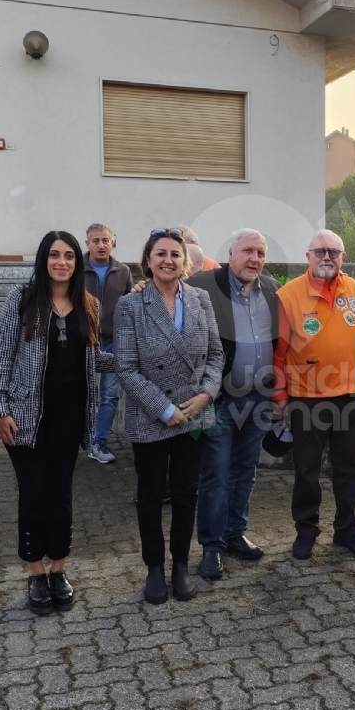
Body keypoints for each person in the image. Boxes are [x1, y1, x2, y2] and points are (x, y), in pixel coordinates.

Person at [0, 231, 114, 616]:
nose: (62, 262)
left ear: (78, 262)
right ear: (43, 259)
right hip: (25, 417)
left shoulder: (88, 303)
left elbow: (93, 359)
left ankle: (58, 569)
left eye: (70, 256)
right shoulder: (23, 300)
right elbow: (2, 355)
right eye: (55, 255)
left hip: (70, 416)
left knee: (60, 493)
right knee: (33, 492)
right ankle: (35, 572)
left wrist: (135, 361)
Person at [114, 228, 224, 604]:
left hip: (194, 416)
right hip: (151, 417)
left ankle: (180, 565)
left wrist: (207, 394)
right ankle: (155, 569)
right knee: (149, 496)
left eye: (175, 254)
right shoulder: (130, 306)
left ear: (185, 262)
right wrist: (164, 409)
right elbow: (126, 367)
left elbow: (216, 355)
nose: (168, 260)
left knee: (186, 493)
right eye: (160, 253)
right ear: (147, 260)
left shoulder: (200, 299)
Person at [186, 229, 280, 580]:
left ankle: (235, 532)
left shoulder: (271, 289)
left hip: (259, 399)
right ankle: (211, 547)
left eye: (260, 252)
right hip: (219, 399)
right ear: (230, 253)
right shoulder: (204, 284)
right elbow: (169, 295)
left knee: (245, 470)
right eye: (247, 251)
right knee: (217, 473)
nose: (254, 258)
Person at [273, 230, 355, 559]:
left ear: (343, 256)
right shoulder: (289, 294)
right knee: (306, 470)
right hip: (306, 397)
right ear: (308, 256)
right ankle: (306, 530)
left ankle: (347, 529)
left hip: (350, 395)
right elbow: (279, 351)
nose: (326, 256)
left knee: (352, 467)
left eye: (333, 251)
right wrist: (281, 396)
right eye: (320, 251)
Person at [84, 223, 132, 465]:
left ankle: (98, 442)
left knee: (109, 395)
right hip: (82, 341)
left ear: (113, 242)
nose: (101, 245)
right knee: (78, 393)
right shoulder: (75, 269)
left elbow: (130, 303)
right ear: (87, 244)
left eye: (105, 240)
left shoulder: (122, 271)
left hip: (114, 342)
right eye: (95, 241)